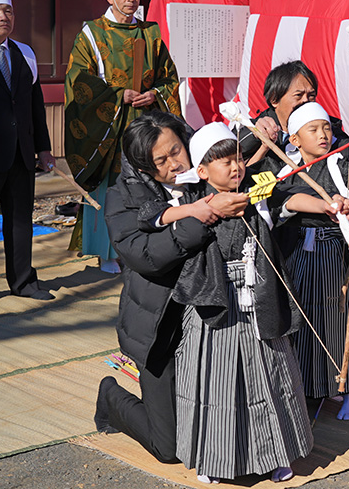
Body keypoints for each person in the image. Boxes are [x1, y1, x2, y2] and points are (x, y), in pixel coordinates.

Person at [171, 122, 349, 484]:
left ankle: (278, 455)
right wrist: (206, 209)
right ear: (204, 171)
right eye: (224, 162)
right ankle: (213, 459)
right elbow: (160, 224)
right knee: (216, 383)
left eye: (239, 158)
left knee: (271, 379)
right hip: (216, 309)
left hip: (261, 303)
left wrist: (326, 205)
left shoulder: (257, 191)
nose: (236, 166)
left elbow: (288, 197)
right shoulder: (190, 203)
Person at [95, 111, 249, 463]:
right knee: (170, 449)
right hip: (159, 327)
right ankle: (111, 399)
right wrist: (198, 218)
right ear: (144, 167)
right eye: (160, 161)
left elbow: (243, 152)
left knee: (215, 422)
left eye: (176, 151)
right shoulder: (123, 197)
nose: (175, 165)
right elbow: (144, 255)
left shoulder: (206, 172)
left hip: (212, 319)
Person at [64, 0, 181, 273]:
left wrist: (155, 94)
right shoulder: (91, 34)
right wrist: (118, 96)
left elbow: (169, 77)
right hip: (108, 127)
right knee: (113, 186)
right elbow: (79, 82)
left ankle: (146, 246)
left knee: (147, 183)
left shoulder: (150, 33)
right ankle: (108, 252)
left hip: (144, 122)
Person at [278, 102, 349, 421]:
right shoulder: (286, 170)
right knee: (302, 322)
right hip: (298, 252)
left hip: (334, 254)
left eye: (327, 128)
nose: (323, 135)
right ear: (295, 139)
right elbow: (278, 202)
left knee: (339, 319)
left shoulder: (338, 165)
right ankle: (310, 388)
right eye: (313, 130)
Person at [0, 0, 55, 303]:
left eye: (8, 11)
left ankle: (24, 282)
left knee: (19, 221)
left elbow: (35, 107)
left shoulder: (25, 53)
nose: (3, 17)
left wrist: (43, 147)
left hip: (21, 154)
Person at [239, 60, 349, 175]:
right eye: (298, 95)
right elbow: (227, 155)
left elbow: (347, 147)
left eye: (311, 95)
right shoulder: (255, 127)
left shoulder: (324, 126)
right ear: (274, 99)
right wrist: (256, 135)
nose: (305, 101)